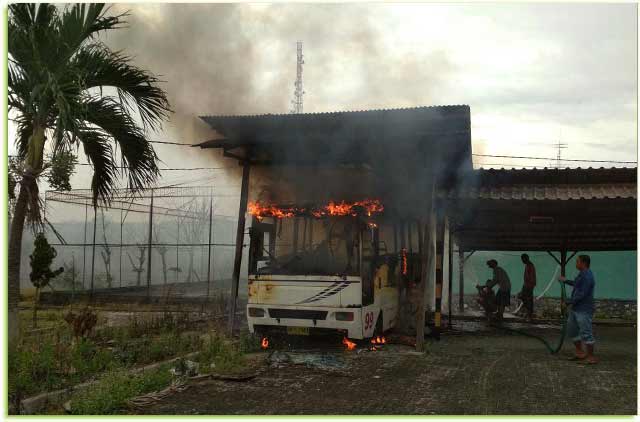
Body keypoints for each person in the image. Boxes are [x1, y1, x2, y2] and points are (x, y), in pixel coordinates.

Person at [559, 255, 597, 364]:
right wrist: (565, 280)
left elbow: (582, 294)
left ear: (583, 263)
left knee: (586, 332)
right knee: (572, 330)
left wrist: (567, 302)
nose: (576, 263)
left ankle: (591, 357)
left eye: (577, 261)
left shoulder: (587, 276)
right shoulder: (582, 275)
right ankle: (580, 352)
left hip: (584, 309)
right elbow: (576, 284)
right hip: (576, 308)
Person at [519, 254, 537, 321]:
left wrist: (528, 286)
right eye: (522, 259)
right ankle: (528, 314)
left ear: (526, 258)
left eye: (523, 259)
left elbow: (531, 277)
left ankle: (529, 315)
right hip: (527, 285)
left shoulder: (530, 265)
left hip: (529, 285)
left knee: (528, 300)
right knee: (524, 298)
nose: (522, 261)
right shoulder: (527, 265)